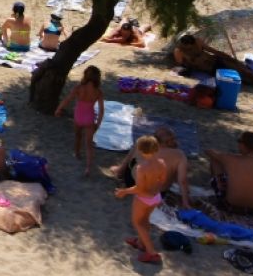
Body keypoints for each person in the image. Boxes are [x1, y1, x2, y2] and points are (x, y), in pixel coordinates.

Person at [173, 33, 253, 99]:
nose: (191, 48)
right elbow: (184, 66)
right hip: (213, 69)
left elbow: (214, 52)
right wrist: (193, 61)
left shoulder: (197, 42)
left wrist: (229, 58)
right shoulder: (179, 52)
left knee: (249, 73)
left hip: (218, 61)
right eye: (189, 47)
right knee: (248, 78)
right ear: (184, 45)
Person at [110, 126, 192, 210]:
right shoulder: (179, 155)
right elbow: (183, 181)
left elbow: (128, 160)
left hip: (131, 182)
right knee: (176, 168)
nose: (175, 142)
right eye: (173, 139)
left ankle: (120, 171)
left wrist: (120, 171)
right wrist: (185, 202)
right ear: (167, 142)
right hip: (155, 193)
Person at [114, 135, 165, 265]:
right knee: (145, 220)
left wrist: (124, 191)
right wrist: (154, 191)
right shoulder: (162, 163)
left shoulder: (141, 168)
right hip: (155, 197)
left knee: (137, 223)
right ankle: (140, 243)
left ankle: (151, 252)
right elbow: (162, 182)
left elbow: (140, 188)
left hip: (143, 198)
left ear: (141, 150)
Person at [205, 130, 253, 216]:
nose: (238, 144)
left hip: (230, 206)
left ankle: (220, 187)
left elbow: (209, 152)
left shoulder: (231, 159)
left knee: (215, 161)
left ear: (244, 145)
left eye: (239, 141)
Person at [56, 65, 104, 176]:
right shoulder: (98, 92)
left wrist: (59, 109)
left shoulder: (78, 88)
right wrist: (98, 123)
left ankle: (77, 153)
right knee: (89, 145)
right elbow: (101, 111)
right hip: (89, 118)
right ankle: (88, 167)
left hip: (78, 116)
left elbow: (67, 99)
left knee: (78, 137)